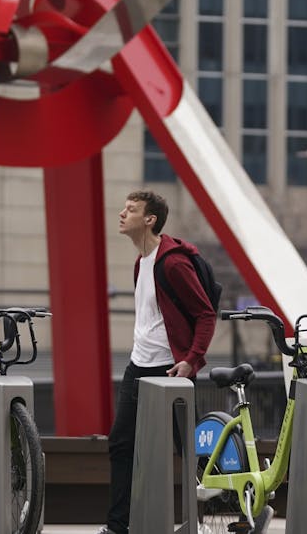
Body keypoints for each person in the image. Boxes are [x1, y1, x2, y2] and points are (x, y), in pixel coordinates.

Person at [99, 189, 220, 534]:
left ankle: (238, 511)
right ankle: (116, 526)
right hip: (139, 366)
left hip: (171, 369)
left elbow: (205, 315)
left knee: (192, 451)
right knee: (121, 444)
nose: (122, 214)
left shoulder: (174, 263)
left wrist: (191, 361)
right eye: (124, 208)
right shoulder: (141, 263)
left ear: (150, 220)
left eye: (131, 210)